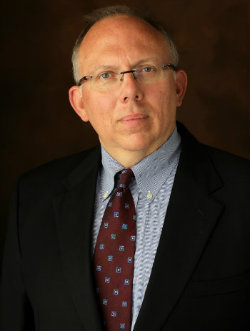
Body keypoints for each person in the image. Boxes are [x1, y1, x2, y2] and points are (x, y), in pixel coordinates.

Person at [0, 5, 249, 331]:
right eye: (106, 75)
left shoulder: (244, 194)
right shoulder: (32, 198)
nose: (130, 92)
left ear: (178, 87)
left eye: (146, 69)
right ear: (80, 103)